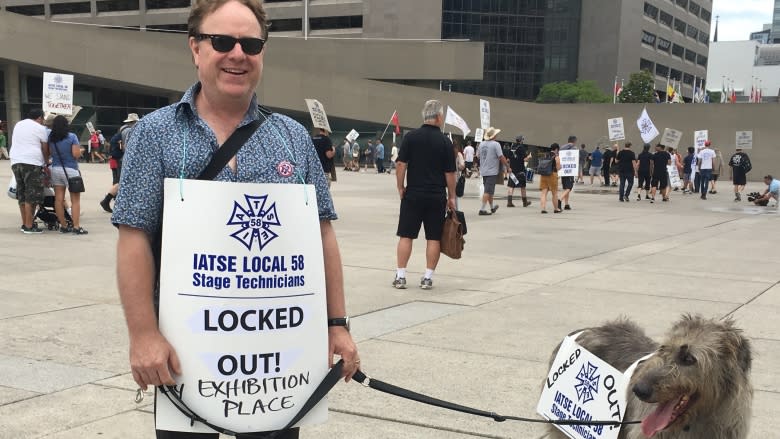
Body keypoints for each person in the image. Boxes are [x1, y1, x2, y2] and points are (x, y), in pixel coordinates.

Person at [111, 1, 359, 437]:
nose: (237, 54)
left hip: (277, 361)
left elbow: (322, 234)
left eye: (251, 43)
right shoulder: (155, 133)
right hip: (185, 353)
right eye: (222, 41)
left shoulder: (292, 137)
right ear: (195, 48)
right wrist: (143, 335)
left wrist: (336, 325)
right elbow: (134, 236)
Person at [393, 99, 456, 290]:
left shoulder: (411, 137)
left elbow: (401, 164)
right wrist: (451, 196)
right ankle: (427, 278)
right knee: (433, 238)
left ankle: (401, 275)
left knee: (406, 235)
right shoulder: (446, 142)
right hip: (436, 196)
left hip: (413, 193)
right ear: (438, 117)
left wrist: (401, 187)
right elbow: (450, 174)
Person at [10, 108, 49, 234]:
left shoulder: (18, 124)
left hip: (15, 161)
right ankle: (29, 225)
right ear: (39, 118)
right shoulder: (40, 128)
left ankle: (24, 223)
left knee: (21, 194)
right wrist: (47, 161)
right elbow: (44, 147)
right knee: (31, 196)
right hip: (31, 162)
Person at [48, 115, 88, 234]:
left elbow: (50, 153)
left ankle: (64, 225)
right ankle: (76, 227)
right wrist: (80, 151)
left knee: (59, 199)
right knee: (75, 200)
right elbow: (75, 154)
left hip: (55, 169)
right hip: (70, 170)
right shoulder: (72, 137)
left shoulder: (51, 138)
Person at [99, 113, 138, 213]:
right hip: (125, 160)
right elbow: (128, 147)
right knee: (122, 182)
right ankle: (108, 200)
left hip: (120, 159)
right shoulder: (129, 131)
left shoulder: (123, 130)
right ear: (134, 122)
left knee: (121, 181)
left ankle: (111, 201)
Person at [477, 127, 509, 215]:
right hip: (492, 171)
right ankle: (482, 209)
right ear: (494, 135)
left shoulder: (481, 144)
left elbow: (478, 156)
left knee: (490, 191)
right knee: (488, 191)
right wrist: (507, 166)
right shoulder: (496, 144)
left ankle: (491, 207)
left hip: (484, 170)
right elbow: (501, 157)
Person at [505, 135, 531, 207]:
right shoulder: (521, 148)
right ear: (521, 140)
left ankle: (509, 202)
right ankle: (524, 202)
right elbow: (525, 159)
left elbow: (508, 159)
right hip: (520, 170)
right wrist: (529, 157)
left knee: (511, 186)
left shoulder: (512, 147)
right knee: (522, 186)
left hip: (512, 170)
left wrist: (509, 167)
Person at [539, 143, 562, 214]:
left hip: (543, 175)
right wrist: (560, 167)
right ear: (556, 149)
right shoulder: (556, 156)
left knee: (544, 193)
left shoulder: (545, 155)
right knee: (554, 193)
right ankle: (556, 209)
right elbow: (558, 167)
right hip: (552, 175)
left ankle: (543, 208)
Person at [557, 135, 577, 211]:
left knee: (565, 187)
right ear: (574, 141)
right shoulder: (574, 148)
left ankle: (566, 204)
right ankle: (559, 200)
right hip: (570, 170)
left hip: (563, 170)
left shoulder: (562, 148)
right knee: (569, 188)